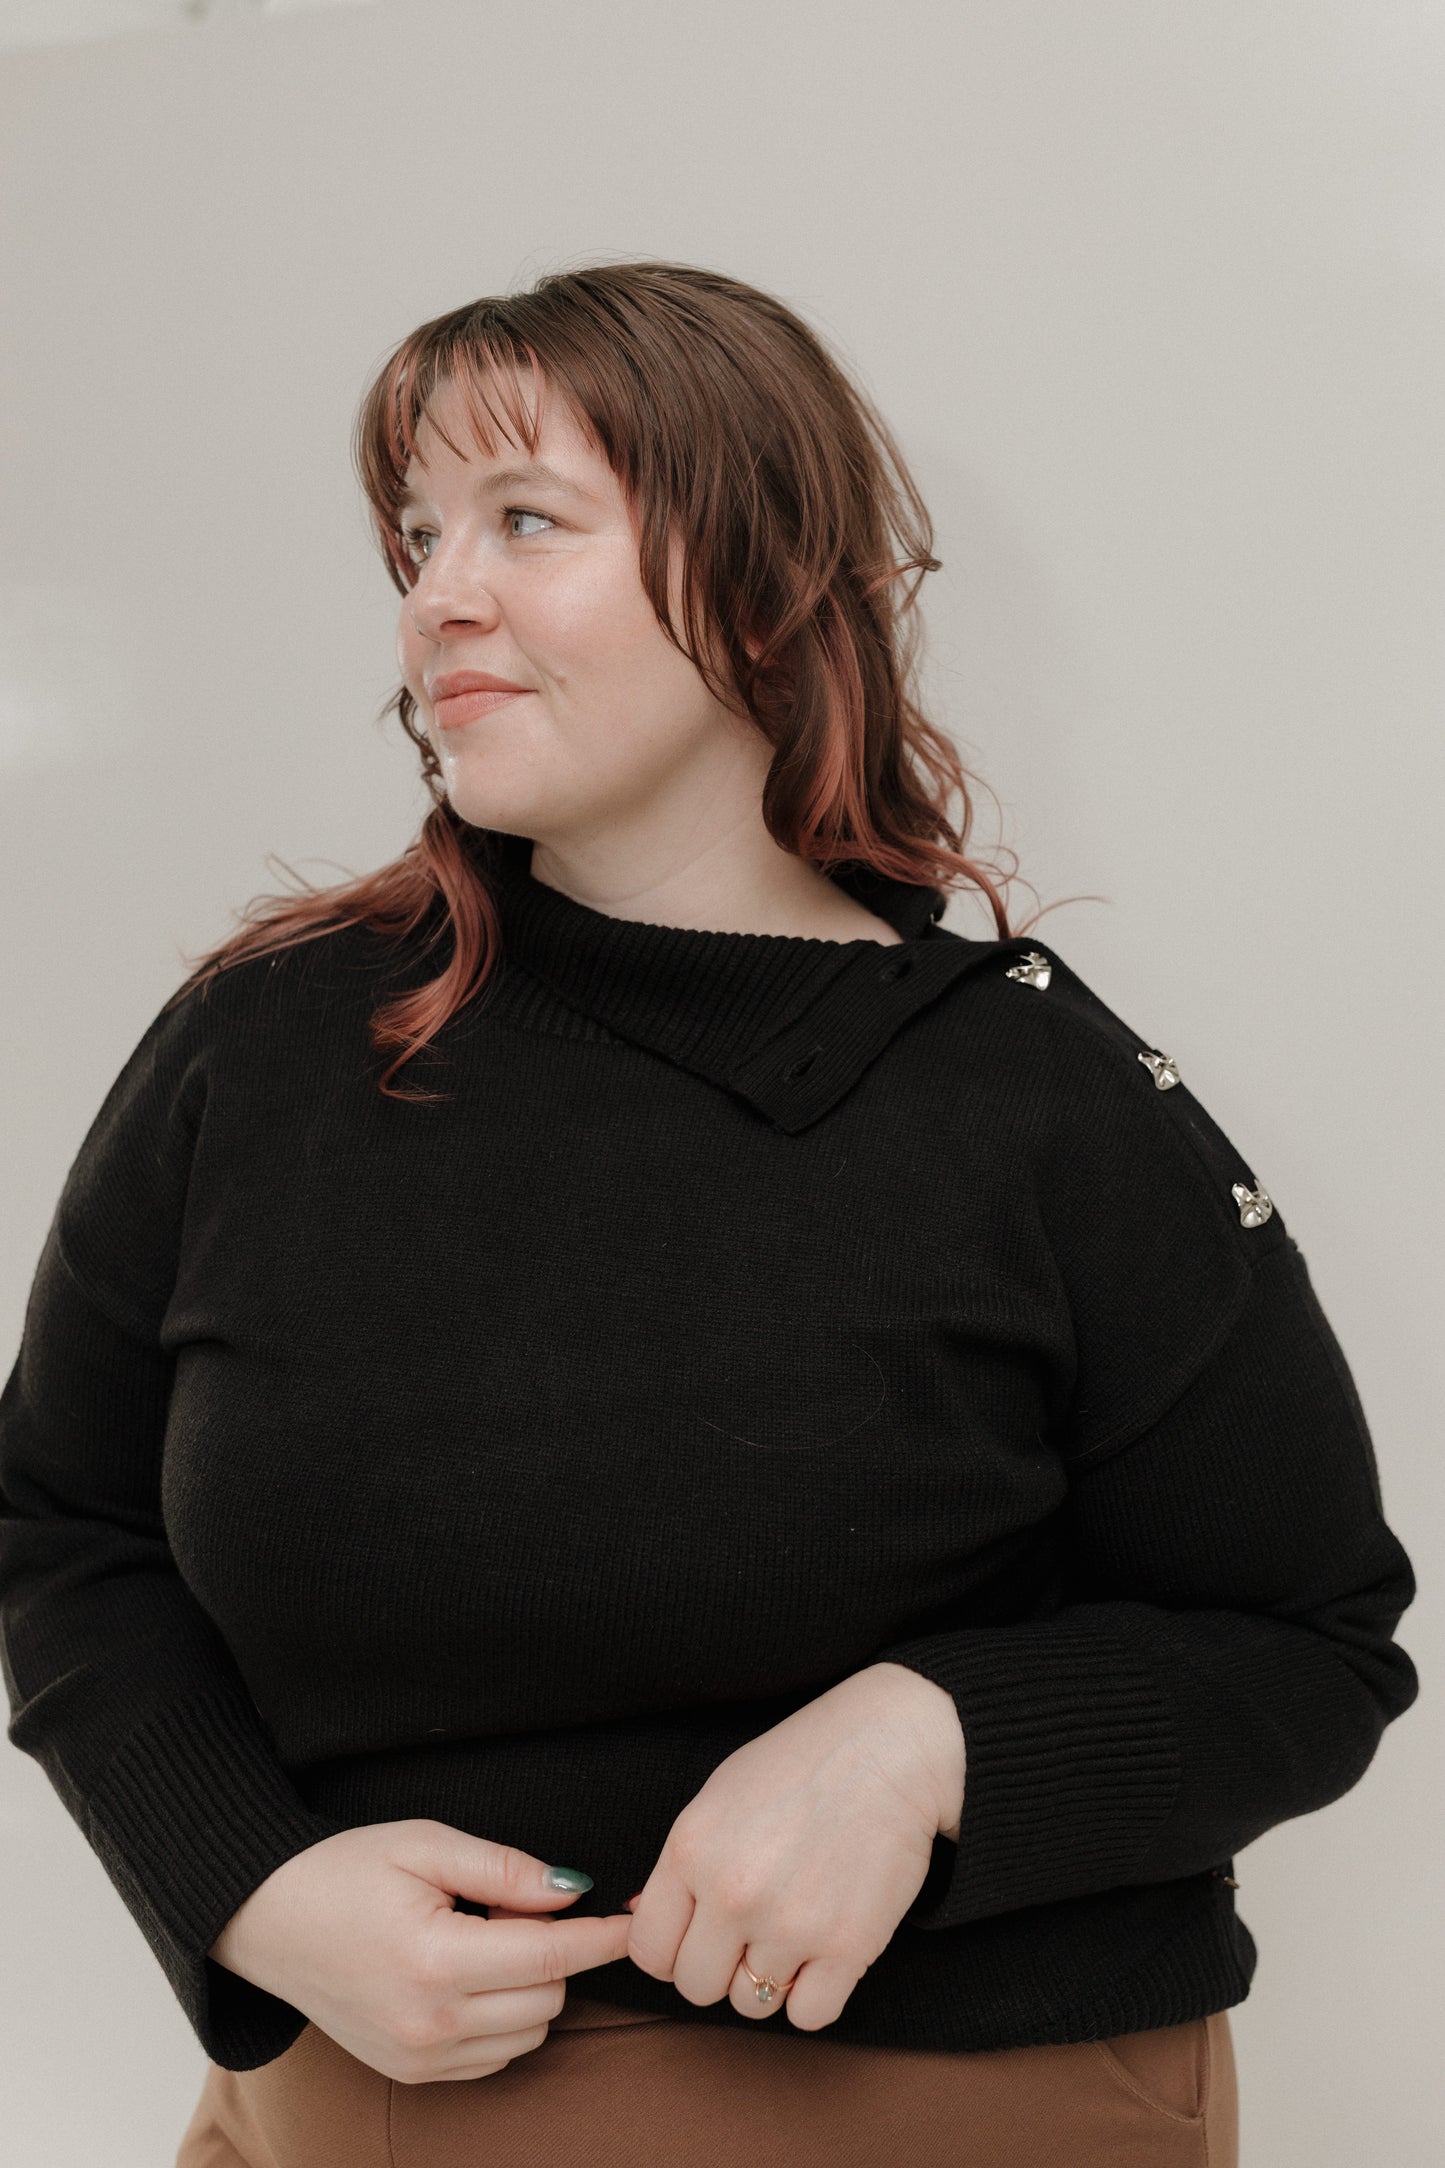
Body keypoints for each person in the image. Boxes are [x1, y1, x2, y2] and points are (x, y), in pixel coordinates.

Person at [0, 261, 1418, 2168]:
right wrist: (242, 1889)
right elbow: (59, 1522)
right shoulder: (256, 1053)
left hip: (932, 2103)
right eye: (417, 537)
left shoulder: (1037, 1099)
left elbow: (1307, 1636)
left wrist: (931, 1743)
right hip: (322, 2108)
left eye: (525, 521)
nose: (437, 594)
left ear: (755, 578)